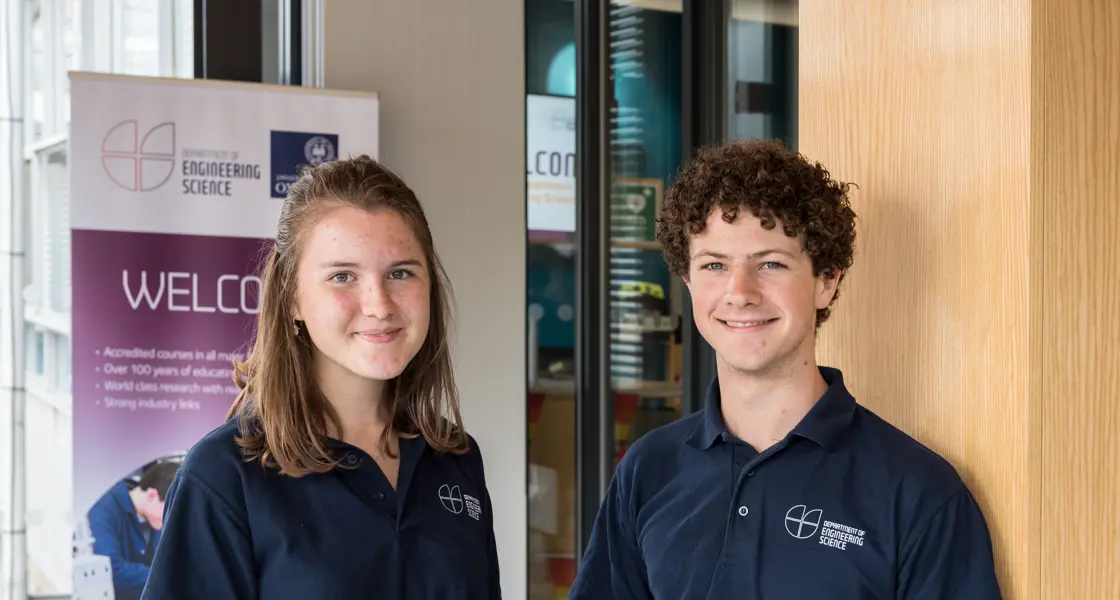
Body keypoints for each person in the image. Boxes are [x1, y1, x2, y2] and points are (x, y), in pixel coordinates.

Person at [569, 139, 1002, 599]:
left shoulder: (917, 493)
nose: (740, 292)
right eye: (714, 264)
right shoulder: (648, 469)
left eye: (770, 263)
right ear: (689, 282)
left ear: (826, 282)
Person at [140, 155, 501, 599]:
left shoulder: (456, 458)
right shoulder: (225, 477)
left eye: (400, 273)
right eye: (343, 276)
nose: (379, 304)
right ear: (292, 299)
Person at [86, 461, 179, 600]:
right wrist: (172, 578)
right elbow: (111, 571)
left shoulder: (154, 518)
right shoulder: (102, 509)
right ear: (151, 496)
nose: (172, 521)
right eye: (171, 512)